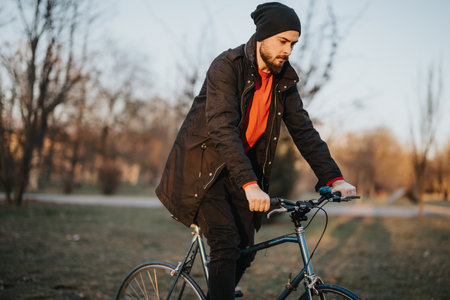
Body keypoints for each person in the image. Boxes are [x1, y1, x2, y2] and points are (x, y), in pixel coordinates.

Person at [156, 2, 356, 299]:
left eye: (294, 44)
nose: (289, 50)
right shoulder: (226, 66)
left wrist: (333, 178)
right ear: (263, 36)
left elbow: (304, 131)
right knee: (226, 243)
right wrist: (251, 186)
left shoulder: (283, 81)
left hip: (239, 171)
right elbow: (222, 128)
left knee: (245, 249)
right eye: (283, 41)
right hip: (202, 171)